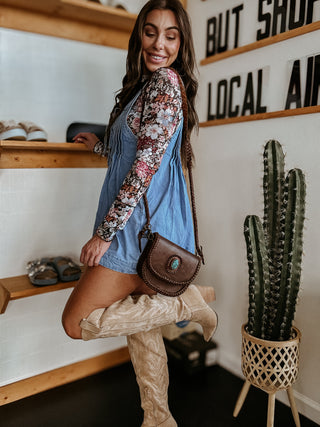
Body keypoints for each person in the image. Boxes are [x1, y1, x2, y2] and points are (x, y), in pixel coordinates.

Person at [62, 1, 217, 425]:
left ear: (181, 43)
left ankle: (189, 302)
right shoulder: (143, 88)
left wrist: (105, 234)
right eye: (151, 32)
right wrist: (97, 142)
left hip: (135, 232)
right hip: (149, 229)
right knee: (142, 329)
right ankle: (159, 417)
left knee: (76, 322)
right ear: (139, 36)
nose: (159, 44)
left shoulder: (164, 84)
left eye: (171, 35)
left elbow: (144, 167)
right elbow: (131, 149)